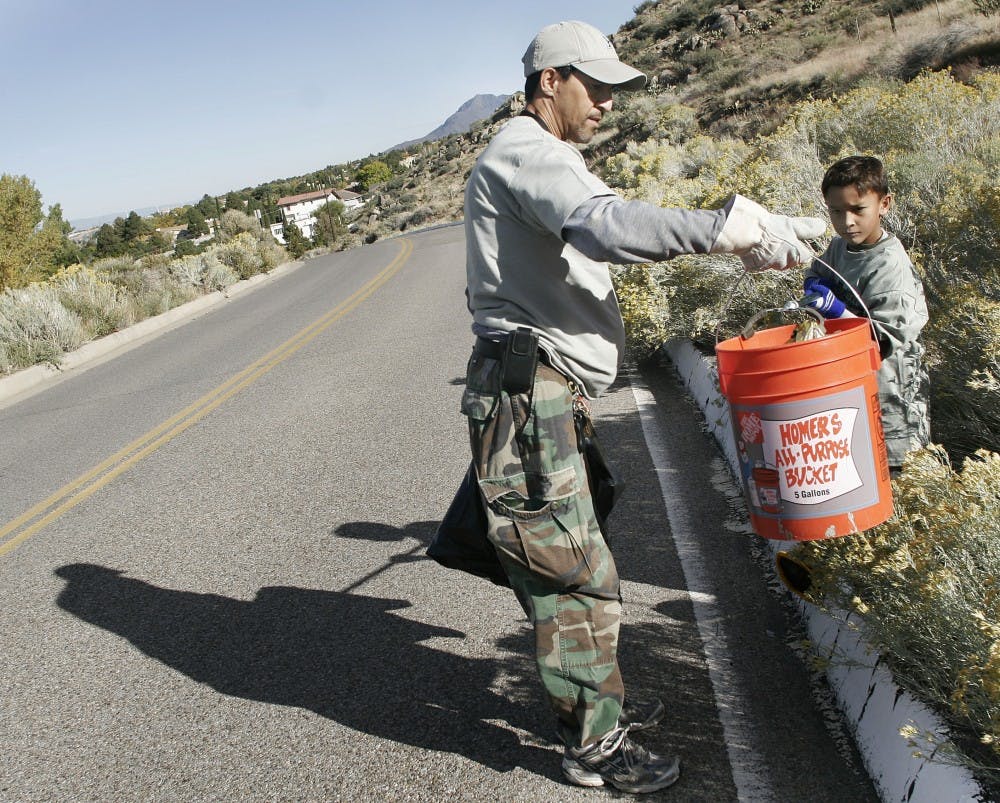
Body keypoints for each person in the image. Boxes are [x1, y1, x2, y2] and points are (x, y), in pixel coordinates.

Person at [461, 20, 825, 793]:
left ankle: (601, 699)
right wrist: (725, 229)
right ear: (549, 81)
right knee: (572, 573)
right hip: (532, 398)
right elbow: (607, 225)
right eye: (595, 87)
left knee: (574, 553)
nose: (607, 104)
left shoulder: (542, 154)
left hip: (542, 395)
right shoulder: (529, 152)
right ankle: (593, 745)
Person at [802, 155, 930, 472]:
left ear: (884, 204)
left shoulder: (890, 266)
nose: (847, 222)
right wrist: (813, 283)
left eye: (858, 210)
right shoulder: (839, 247)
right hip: (854, 389)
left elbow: (880, 341)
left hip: (892, 399)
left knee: (895, 479)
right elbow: (818, 271)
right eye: (836, 211)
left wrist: (834, 310)